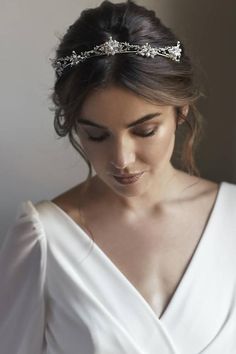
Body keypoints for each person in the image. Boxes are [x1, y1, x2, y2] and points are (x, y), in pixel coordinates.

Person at [0, 0, 236, 353]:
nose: (121, 160)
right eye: (96, 135)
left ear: (180, 111)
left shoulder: (231, 220)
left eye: (145, 131)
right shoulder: (43, 240)